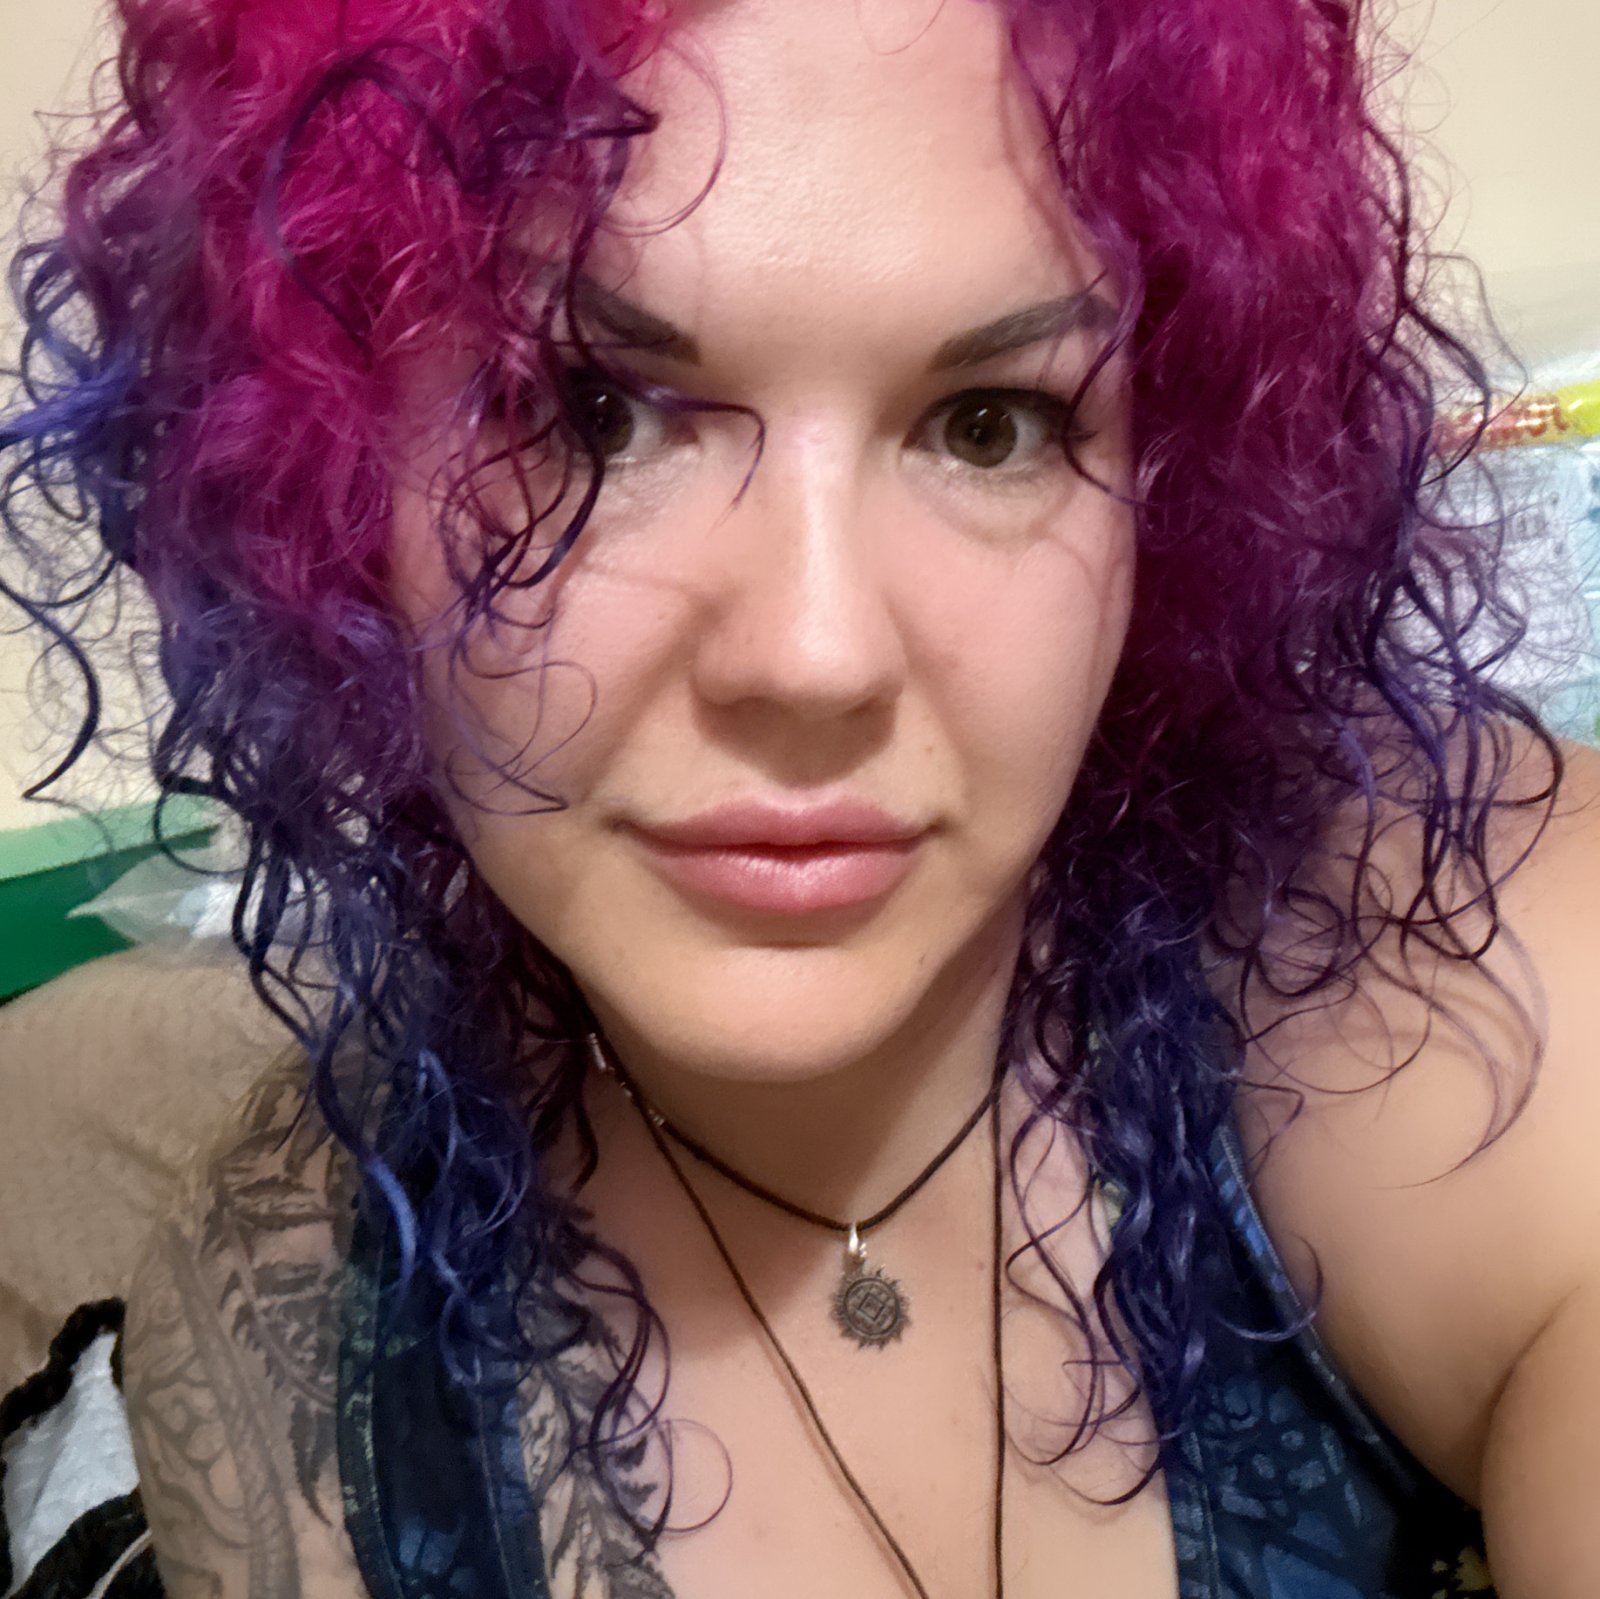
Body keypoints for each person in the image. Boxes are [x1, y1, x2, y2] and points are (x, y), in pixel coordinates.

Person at [2, 0, 1597, 1595]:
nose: (817, 655)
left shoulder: (1468, 996)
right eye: (593, 414)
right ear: (343, 485)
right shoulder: (290, 1342)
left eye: (990, 423)